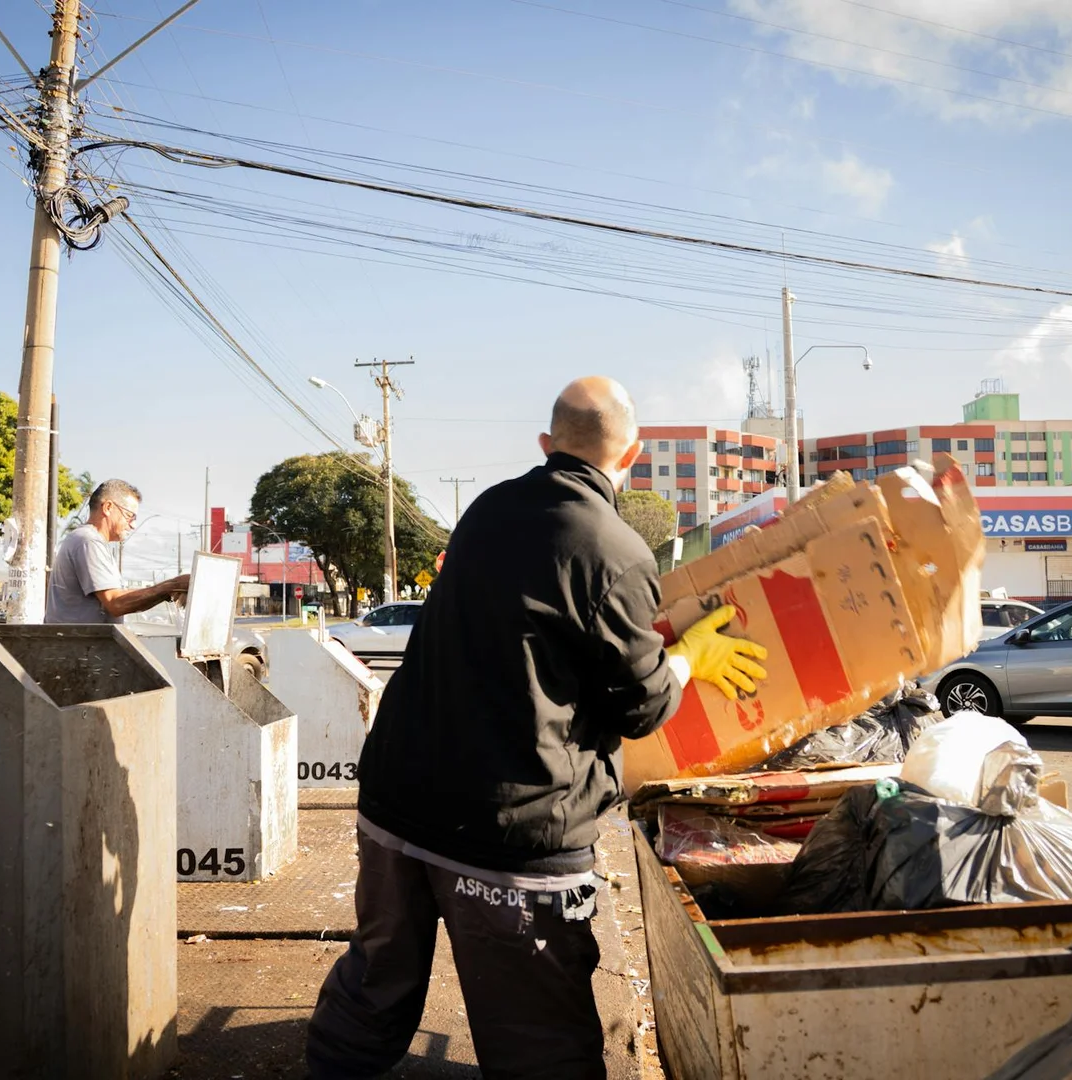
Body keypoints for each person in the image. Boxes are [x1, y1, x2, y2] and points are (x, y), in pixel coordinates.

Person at [307, 376, 768, 1079]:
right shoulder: (614, 550)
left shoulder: (488, 508)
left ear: (546, 445)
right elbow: (640, 707)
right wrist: (691, 657)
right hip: (507, 837)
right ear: (633, 454)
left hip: (395, 804)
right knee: (539, 1040)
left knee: (374, 984)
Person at [44, 478, 189, 624]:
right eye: (129, 516)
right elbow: (115, 602)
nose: (133, 525)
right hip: (78, 645)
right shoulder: (88, 541)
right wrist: (172, 586)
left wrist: (169, 589)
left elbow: (117, 596)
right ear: (108, 507)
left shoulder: (89, 540)